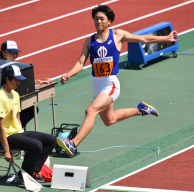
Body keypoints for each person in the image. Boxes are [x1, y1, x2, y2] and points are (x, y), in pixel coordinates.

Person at [57, 5, 179, 156]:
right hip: (97, 85)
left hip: (111, 83)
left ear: (109, 21)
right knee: (110, 120)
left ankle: (73, 144)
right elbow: (80, 63)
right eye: (96, 19)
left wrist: (166, 38)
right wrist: (68, 74)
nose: (98, 22)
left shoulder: (117, 35)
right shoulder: (89, 42)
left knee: (90, 110)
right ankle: (141, 110)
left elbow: (143, 39)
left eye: (102, 19)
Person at [0, 65, 56, 183]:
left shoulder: (15, 94)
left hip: (18, 133)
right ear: (7, 79)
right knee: (36, 145)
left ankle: (33, 171)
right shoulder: (0, 98)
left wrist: (23, 136)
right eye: (16, 79)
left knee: (51, 140)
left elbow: (18, 118)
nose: (18, 82)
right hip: (8, 136)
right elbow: (0, 127)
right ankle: (24, 175)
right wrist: (6, 150)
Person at [0, 40, 41, 127]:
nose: (15, 55)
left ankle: (18, 130)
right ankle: (13, 132)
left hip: (13, 96)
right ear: (4, 53)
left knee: (33, 109)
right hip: (2, 100)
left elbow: (16, 81)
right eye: (12, 52)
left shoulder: (13, 65)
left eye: (16, 52)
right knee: (26, 113)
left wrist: (31, 82)